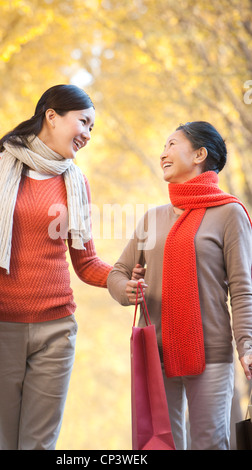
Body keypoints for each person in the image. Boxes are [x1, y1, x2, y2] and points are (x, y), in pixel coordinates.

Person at [0, 84, 115, 450]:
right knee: (5, 442)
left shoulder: (76, 182)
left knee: (39, 445)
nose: (88, 134)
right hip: (0, 326)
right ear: (52, 116)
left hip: (57, 328)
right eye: (84, 122)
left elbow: (86, 263)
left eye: (93, 128)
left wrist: (124, 276)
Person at [107, 121, 252, 450]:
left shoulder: (229, 213)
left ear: (200, 154)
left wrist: (247, 345)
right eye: (163, 146)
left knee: (210, 443)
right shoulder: (152, 218)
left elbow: (243, 289)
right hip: (154, 353)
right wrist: (125, 290)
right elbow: (118, 271)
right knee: (159, 445)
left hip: (210, 354)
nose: (163, 154)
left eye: (172, 145)